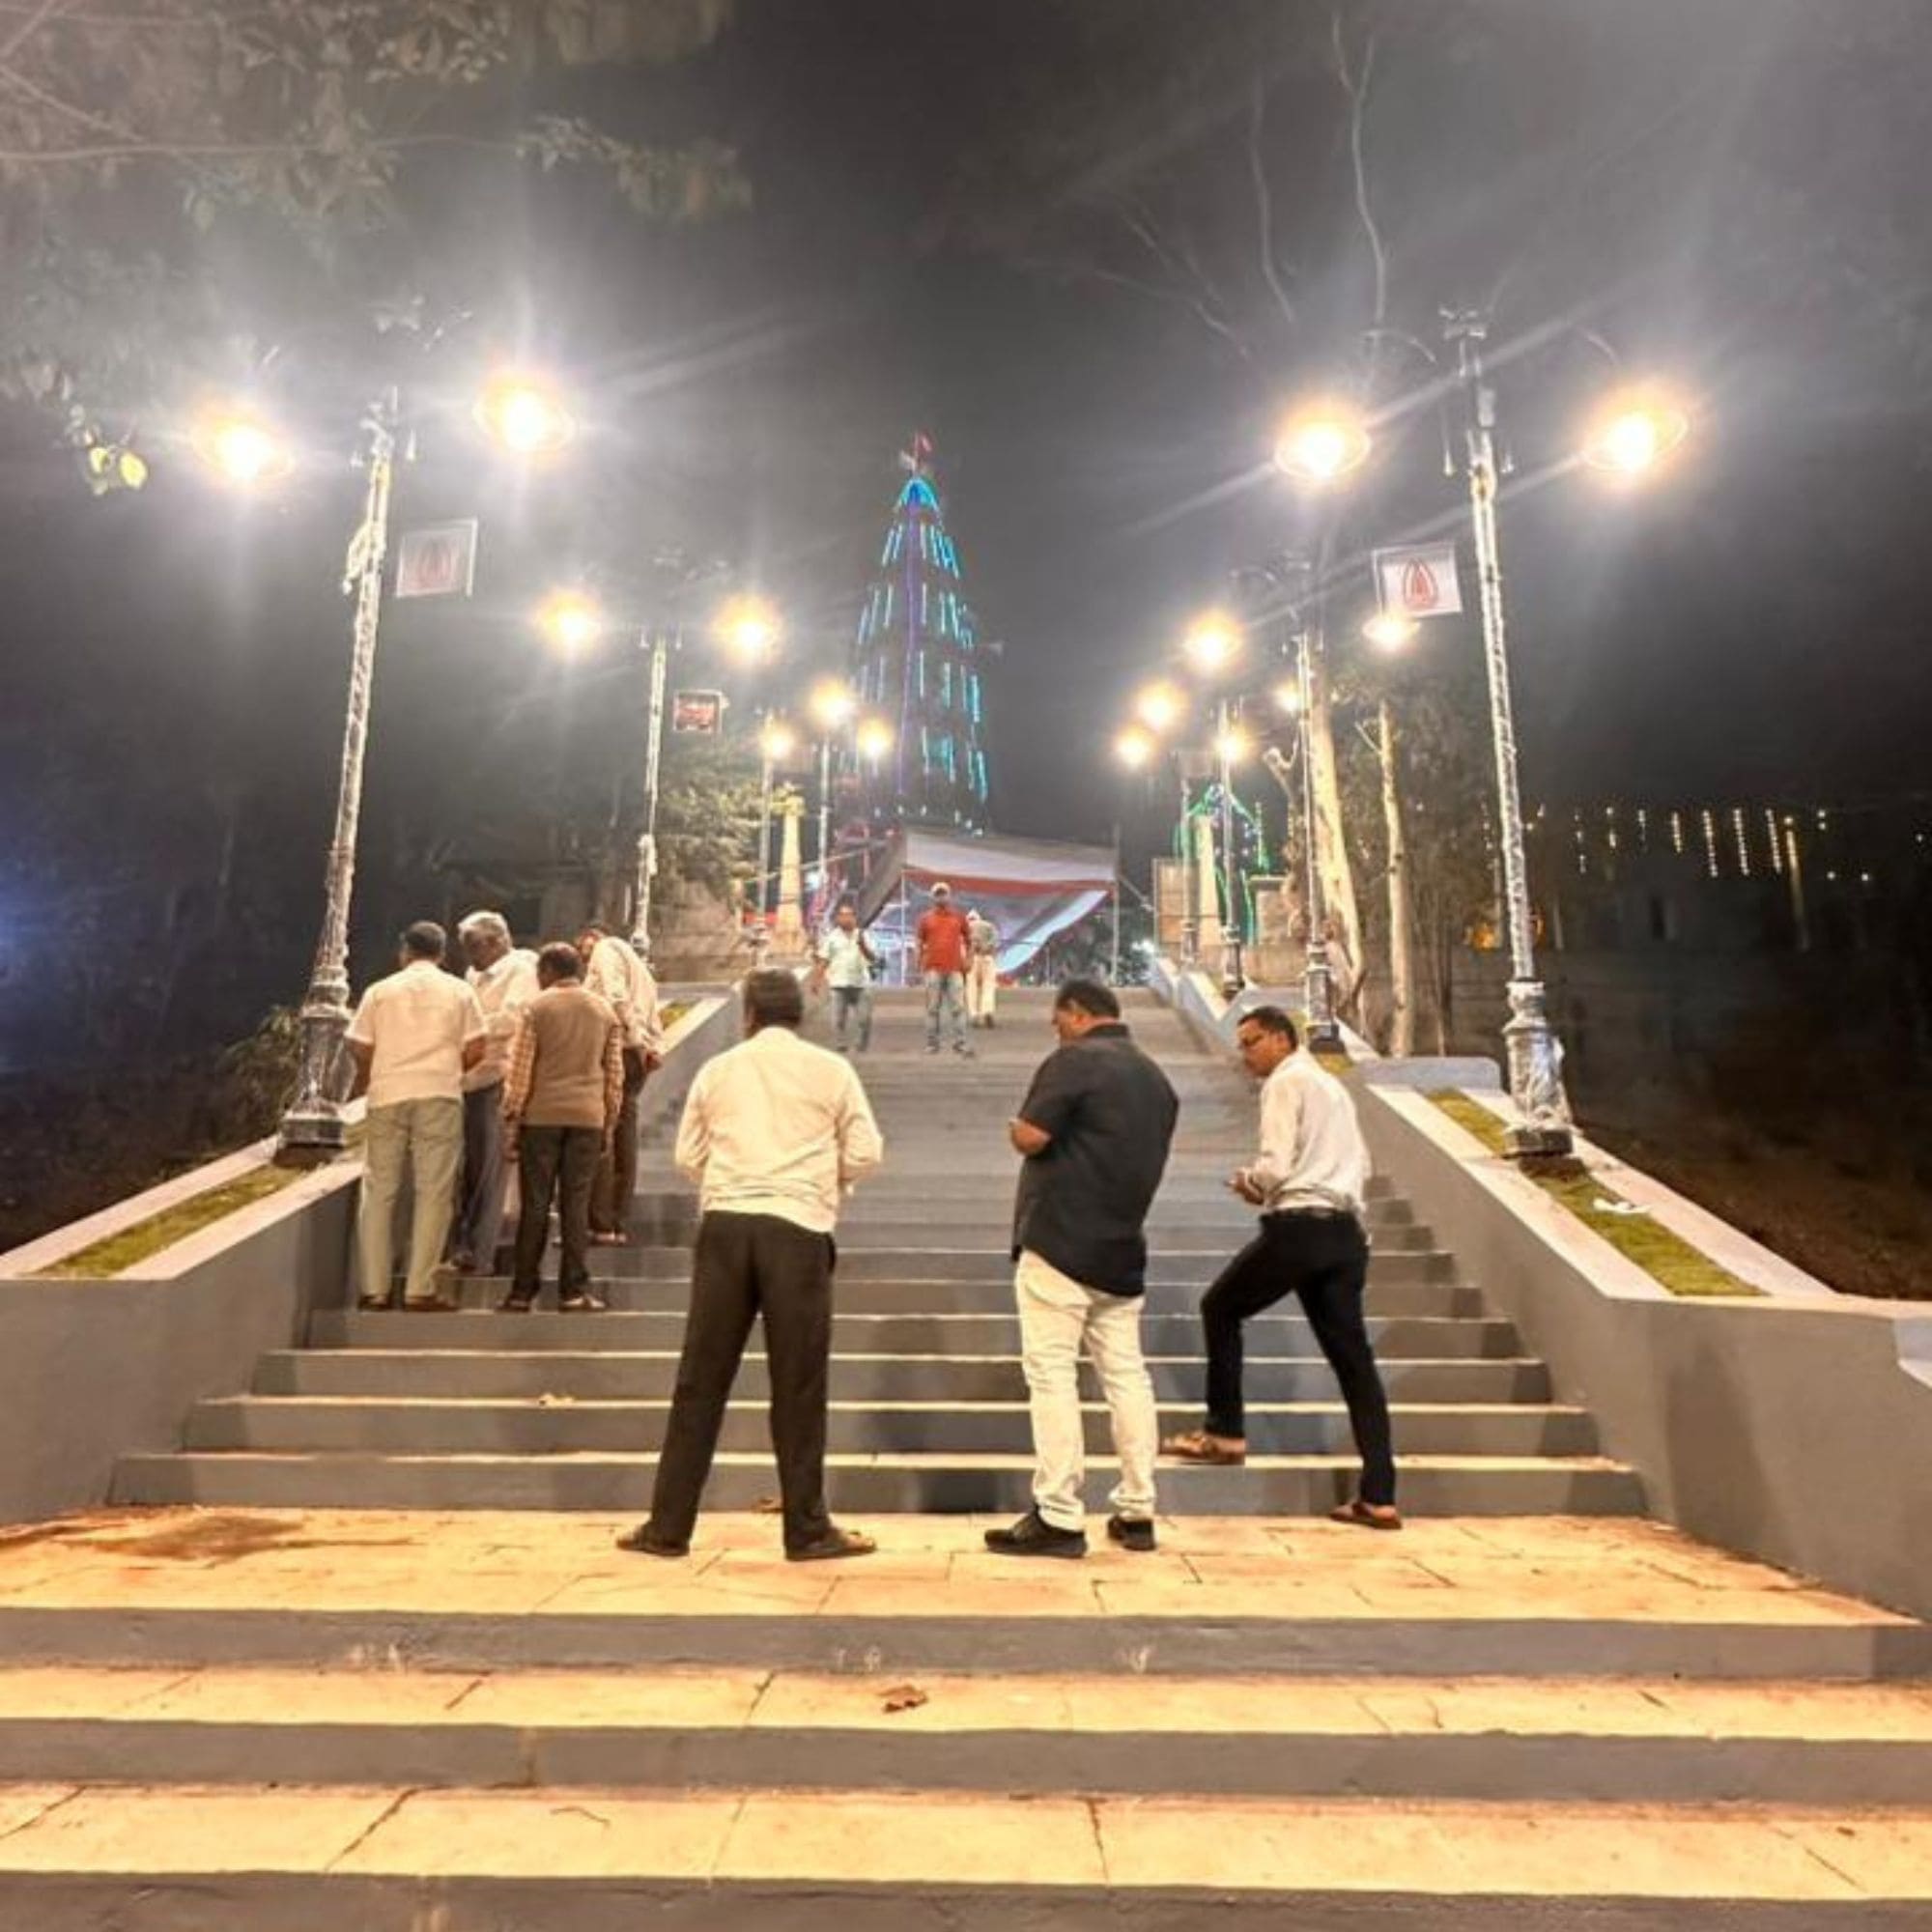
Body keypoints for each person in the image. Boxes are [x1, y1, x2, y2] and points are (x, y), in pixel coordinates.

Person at [618, 971, 884, 1562]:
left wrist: (734, 1177)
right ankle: (807, 1529)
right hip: (798, 1228)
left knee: (700, 1380)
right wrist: (822, 1183)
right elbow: (867, 1151)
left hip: (726, 1229)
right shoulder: (831, 1070)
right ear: (800, 1014)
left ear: (748, 1016)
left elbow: (688, 1155)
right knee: (798, 1386)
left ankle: (668, 1527)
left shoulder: (719, 1071)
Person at [1162, 1005, 1400, 1529]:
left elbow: (1275, 1165)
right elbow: (1361, 1163)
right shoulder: (1334, 1090)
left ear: (1280, 1039)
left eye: (1250, 1043)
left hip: (1299, 1227)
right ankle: (1379, 1494)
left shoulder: (1285, 1082)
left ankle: (1224, 1431)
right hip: (1345, 1232)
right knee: (1354, 1363)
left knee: (1219, 1307)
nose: (1243, 1056)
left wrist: (1250, 1181)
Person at [986, 979, 1179, 1559]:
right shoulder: (1156, 1079)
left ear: (1075, 1014)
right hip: (1121, 1247)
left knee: (1051, 1375)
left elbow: (1031, 1135)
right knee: (1127, 1377)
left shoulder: (1074, 1062)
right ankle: (1138, 1509)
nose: (1054, 1029)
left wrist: (1013, 1130)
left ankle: (1059, 1513)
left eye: (1056, 1019)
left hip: (1060, 1244)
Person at [345, 921, 487, 1312]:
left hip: (388, 1093)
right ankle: (419, 1287)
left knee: (379, 1190)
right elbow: (478, 1046)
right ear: (443, 954)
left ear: (404, 951)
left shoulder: (380, 991)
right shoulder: (460, 991)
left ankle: (374, 1289)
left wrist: (385, 1067)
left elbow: (359, 1045)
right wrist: (448, 1067)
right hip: (439, 1092)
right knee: (434, 1191)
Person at [499, 941, 625, 1313]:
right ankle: (574, 1290)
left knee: (536, 1204)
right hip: (587, 1117)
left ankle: (523, 1291)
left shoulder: (536, 1008)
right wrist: (608, 1123)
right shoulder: (604, 1011)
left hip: (542, 1117)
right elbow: (613, 1076)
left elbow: (520, 1072)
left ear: (549, 971)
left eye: (541, 972)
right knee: (576, 1204)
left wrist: (512, 1116)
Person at [450, 911, 539, 1274]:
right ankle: (466, 1244)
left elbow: (513, 1019)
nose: (470, 955)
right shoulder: (473, 975)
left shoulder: (522, 969)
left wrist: (471, 1032)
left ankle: (479, 1251)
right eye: (466, 948)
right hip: (469, 1077)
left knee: (489, 1169)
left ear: (499, 941)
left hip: (499, 1076)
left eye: (476, 946)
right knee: (469, 1170)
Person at [579, 922, 665, 1245]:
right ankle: (615, 1221)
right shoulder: (642, 971)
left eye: (582, 945)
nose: (583, 954)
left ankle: (599, 1221)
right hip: (636, 1054)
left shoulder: (607, 948)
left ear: (592, 937)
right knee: (624, 1133)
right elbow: (653, 1015)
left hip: (617, 1047)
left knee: (604, 1133)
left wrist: (632, 1038)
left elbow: (615, 996)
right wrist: (652, 1047)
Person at [917, 881, 973, 1057]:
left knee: (958, 1008)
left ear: (949, 896)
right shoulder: (925, 919)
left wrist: (969, 960)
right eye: (938, 894)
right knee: (933, 1009)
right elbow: (919, 940)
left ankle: (961, 1044)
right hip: (933, 968)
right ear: (933, 897)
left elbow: (970, 939)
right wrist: (918, 961)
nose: (941, 897)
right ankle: (932, 1045)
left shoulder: (958, 917)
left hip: (955, 969)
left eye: (944, 893)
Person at [812, 901, 877, 1053]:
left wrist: (862, 945)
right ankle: (841, 1043)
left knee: (864, 1019)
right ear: (838, 918)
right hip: (838, 983)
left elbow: (872, 958)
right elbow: (823, 960)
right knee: (838, 1019)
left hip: (861, 983)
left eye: (849, 915)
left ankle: (861, 1045)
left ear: (855, 918)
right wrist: (816, 980)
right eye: (842, 915)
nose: (846, 918)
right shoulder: (832, 938)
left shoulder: (864, 935)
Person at [965, 906, 1001, 1029]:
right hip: (987, 958)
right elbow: (996, 941)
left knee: (971, 988)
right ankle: (987, 1011)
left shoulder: (965, 927)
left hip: (971, 958)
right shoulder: (988, 925)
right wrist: (988, 947)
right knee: (988, 987)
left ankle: (974, 1014)